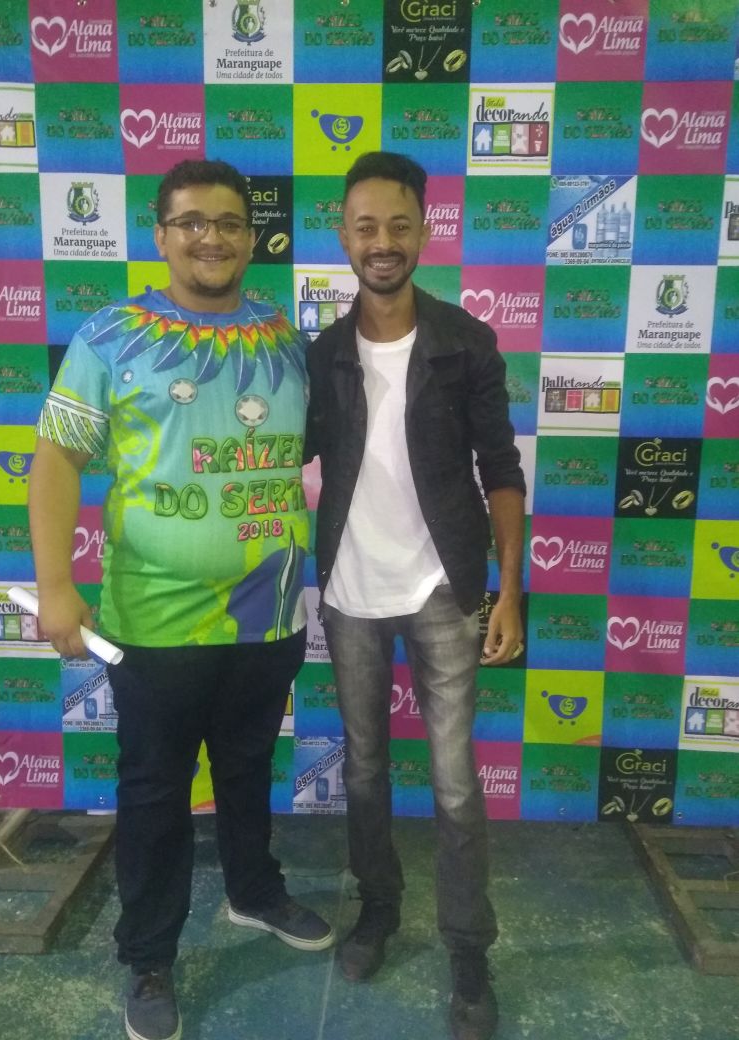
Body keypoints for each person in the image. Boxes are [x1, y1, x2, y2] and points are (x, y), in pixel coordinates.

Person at [29, 159, 334, 1040]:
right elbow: (55, 462)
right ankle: (149, 955)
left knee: (247, 765)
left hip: (270, 611)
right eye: (192, 221)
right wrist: (55, 585)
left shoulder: (286, 340)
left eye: (230, 222)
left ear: (252, 237)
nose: (212, 237)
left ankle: (254, 891)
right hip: (153, 620)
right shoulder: (110, 337)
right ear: (160, 234)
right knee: (156, 788)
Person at [305, 151, 526, 1040]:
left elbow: (501, 471)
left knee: (455, 781)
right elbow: (277, 455)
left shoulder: (466, 341)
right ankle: (379, 910)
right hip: (349, 589)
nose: (383, 241)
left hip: (443, 587)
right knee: (363, 768)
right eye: (366, 226)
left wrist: (508, 591)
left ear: (425, 232)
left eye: (399, 224)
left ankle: (468, 950)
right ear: (343, 234)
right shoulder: (323, 354)